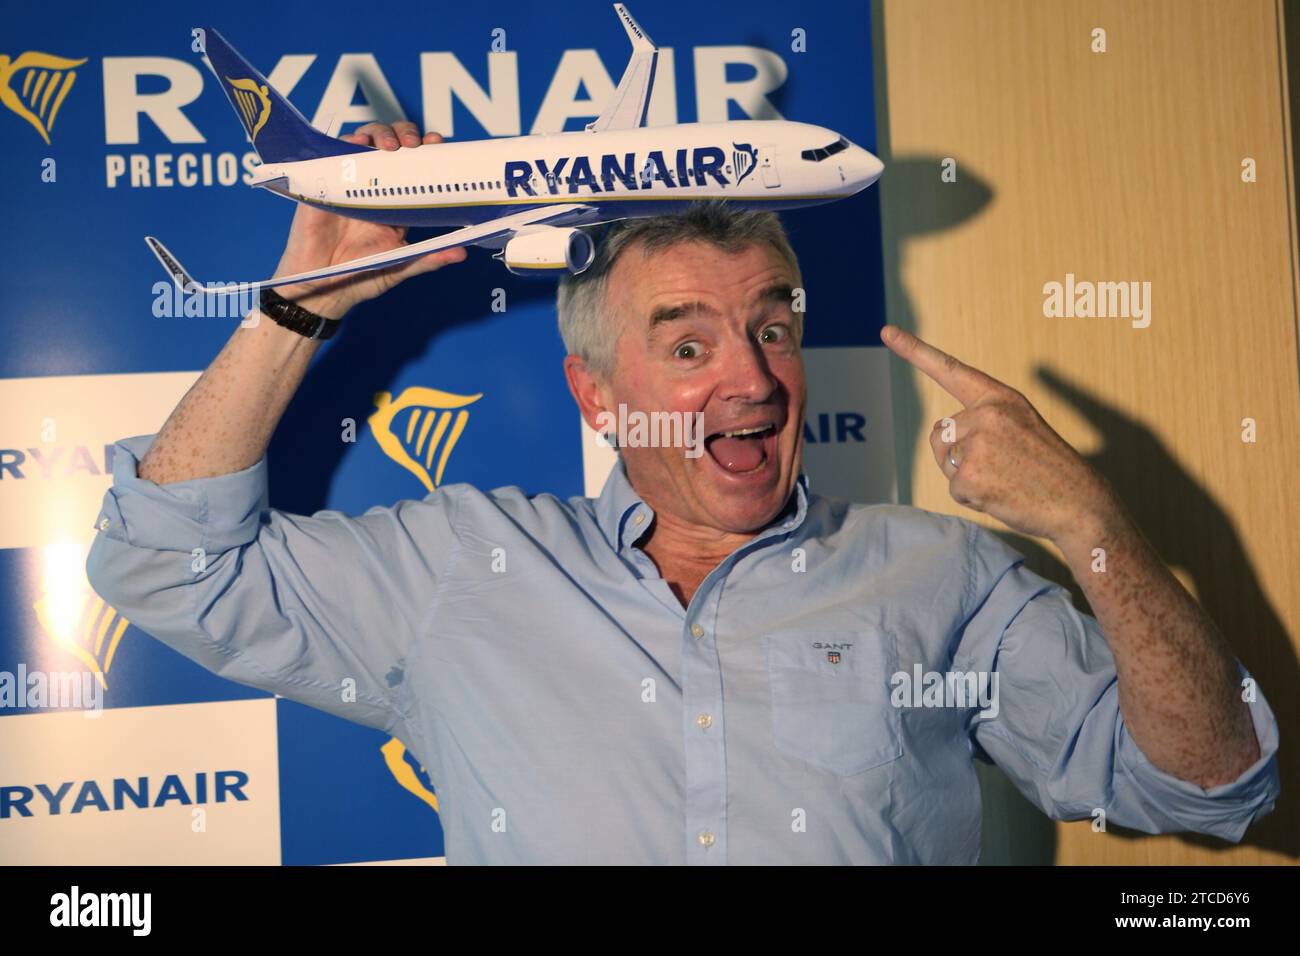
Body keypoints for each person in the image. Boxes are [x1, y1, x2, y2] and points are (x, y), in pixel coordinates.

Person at [86, 121, 1279, 865]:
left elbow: (1210, 782)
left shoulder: (944, 577)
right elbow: (164, 564)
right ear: (597, 395)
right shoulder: (461, 567)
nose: (752, 374)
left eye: (772, 325)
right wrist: (299, 307)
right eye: (690, 342)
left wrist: (1093, 525)